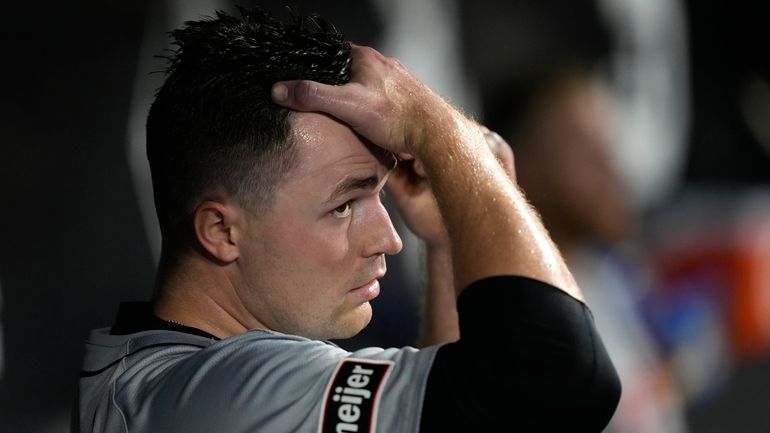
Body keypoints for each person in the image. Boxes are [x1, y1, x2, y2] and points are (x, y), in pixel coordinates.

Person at [76, 6, 620, 432]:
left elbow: (462, 418)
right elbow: (561, 380)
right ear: (221, 232)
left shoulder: (167, 379)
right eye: (342, 205)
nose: (389, 238)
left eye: (379, 194)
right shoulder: (227, 390)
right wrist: (444, 135)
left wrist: (447, 243)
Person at [481, 66, 689, 432]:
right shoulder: (511, 317)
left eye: (606, 146)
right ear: (517, 166)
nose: (610, 167)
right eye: (583, 151)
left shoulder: (609, 273)